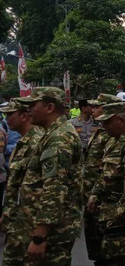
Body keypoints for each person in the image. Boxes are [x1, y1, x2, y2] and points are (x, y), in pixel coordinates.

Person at [16, 87, 82, 265]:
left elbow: (54, 188)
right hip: (48, 228)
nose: (28, 110)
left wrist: (40, 236)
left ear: (50, 108)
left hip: (53, 233)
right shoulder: (53, 133)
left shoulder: (59, 138)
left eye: (33, 104)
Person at [87, 101, 125, 266]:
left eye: (108, 122)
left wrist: (119, 213)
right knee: (105, 256)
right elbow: (106, 173)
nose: (104, 125)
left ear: (121, 120)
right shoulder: (114, 141)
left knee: (115, 258)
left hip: (121, 212)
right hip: (106, 208)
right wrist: (95, 194)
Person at [0, 99, 44, 266]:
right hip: (18, 221)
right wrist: (7, 214)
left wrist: (40, 235)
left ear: (25, 116)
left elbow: (47, 190)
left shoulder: (37, 143)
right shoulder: (24, 142)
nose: (6, 117)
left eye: (11, 114)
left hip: (30, 223)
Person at [84, 94, 120, 263]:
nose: (93, 110)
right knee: (95, 243)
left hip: (103, 196)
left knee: (110, 249)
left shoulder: (112, 135)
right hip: (91, 192)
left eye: (97, 107)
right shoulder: (100, 131)